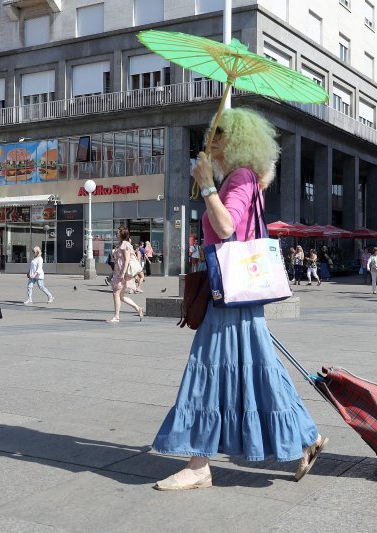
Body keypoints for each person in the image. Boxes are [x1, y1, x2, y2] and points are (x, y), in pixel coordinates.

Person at [153, 108, 325, 491]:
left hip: (230, 292)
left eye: (216, 137)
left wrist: (208, 186)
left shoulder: (239, 178)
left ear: (233, 143)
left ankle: (199, 465)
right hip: (236, 292)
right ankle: (306, 436)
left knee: (208, 368)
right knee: (258, 369)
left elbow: (227, 226)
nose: (208, 144)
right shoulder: (241, 178)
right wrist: (210, 182)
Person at [107, 225, 144, 323]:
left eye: (118, 232)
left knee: (116, 293)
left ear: (122, 233)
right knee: (121, 296)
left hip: (122, 273)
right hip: (118, 272)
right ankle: (138, 308)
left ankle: (116, 316)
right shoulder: (120, 244)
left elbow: (127, 259)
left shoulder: (126, 244)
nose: (116, 233)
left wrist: (122, 273)